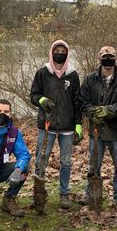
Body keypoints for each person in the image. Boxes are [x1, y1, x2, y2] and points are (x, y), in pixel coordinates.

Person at [79, 46, 117, 210]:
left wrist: (108, 111)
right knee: (94, 165)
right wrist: (92, 113)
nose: (107, 60)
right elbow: (83, 101)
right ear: (99, 58)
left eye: (110, 57)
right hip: (97, 130)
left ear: (116, 58)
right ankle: (91, 193)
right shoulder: (90, 79)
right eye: (105, 57)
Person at [30, 39, 82, 209]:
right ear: (51, 52)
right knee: (41, 160)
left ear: (67, 53)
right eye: (57, 50)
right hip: (47, 125)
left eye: (63, 50)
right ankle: (39, 193)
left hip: (67, 127)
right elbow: (34, 95)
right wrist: (42, 100)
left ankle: (64, 193)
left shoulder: (73, 74)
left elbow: (77, 102)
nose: (60, 53)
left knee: (66, 162)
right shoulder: (43, 73)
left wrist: (78, 125)